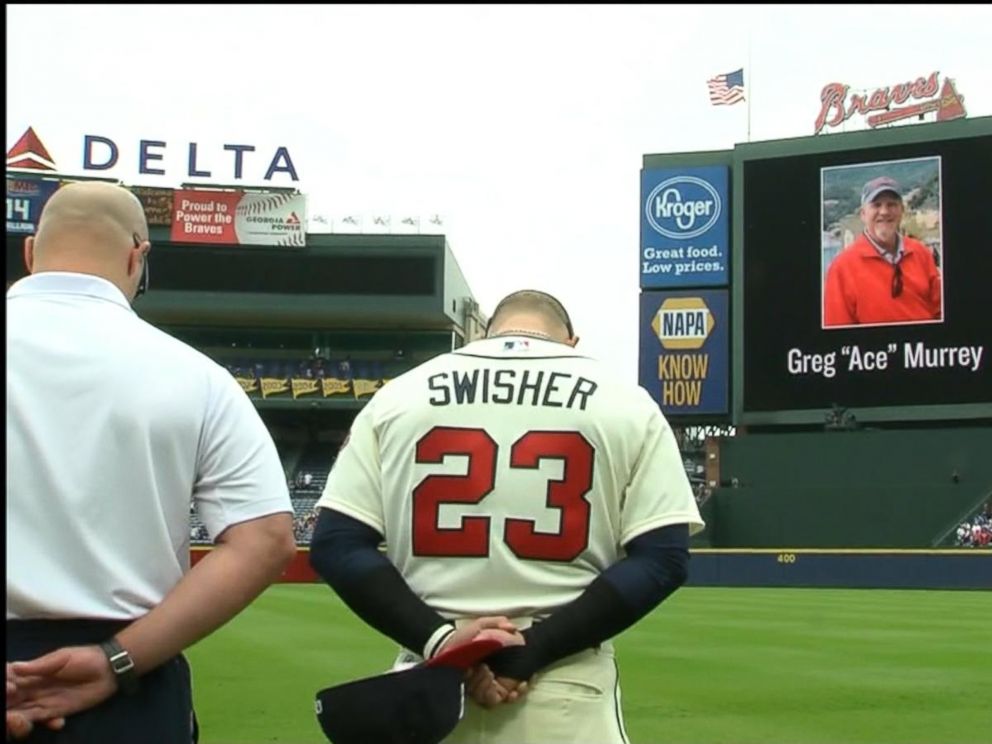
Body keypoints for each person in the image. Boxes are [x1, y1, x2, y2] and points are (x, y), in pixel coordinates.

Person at [309, 289, 705, 744]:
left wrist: (442, 642)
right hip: (567, 689)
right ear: (572, 343)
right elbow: (663, 558)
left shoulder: (398, 396)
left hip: (431, 688)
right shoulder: (628, 404)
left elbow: (336, 545)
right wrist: (534, 649)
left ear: (483, 333)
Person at [5, 182, 297, 742]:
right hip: (126, 679)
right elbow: (266, 539)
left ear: (31, 251)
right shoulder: (196, 376)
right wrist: (117, 660)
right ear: (140, 256)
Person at [823, 175, 942, 327]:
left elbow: (940, 312)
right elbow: (837, 332)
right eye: (876, 205)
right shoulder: (842, 268)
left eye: (891, 205)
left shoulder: (921, 253)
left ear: (902, 211)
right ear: (863, 214)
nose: (884, 212)